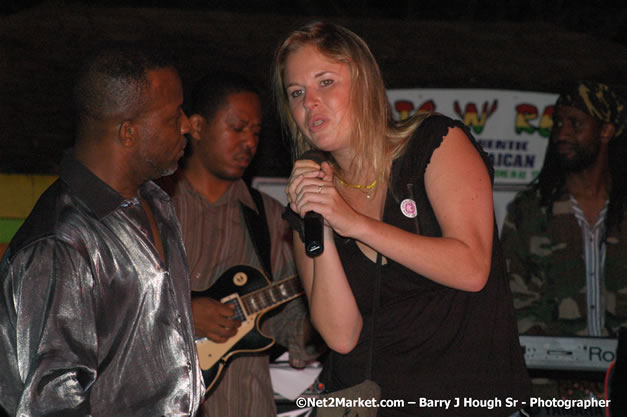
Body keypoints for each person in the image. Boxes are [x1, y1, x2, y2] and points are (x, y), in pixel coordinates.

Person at [273, 21, 531, 417]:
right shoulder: (310, 200)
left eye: (325, 82)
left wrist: (355, 223)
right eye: (296, 92)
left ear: (364, 83)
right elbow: (341, 337)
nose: (310, 102)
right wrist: (321, 221)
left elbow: (472, 267)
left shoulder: (435, 143)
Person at [0, 43, 204, 416]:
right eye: (174, 116)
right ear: (128, 133)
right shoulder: (60, 243)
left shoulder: (155, 202)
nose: (188, 124)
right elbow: (52, 402)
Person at [160, 71, 320, 417]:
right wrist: (182, 314)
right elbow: (111, 305)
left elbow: (288, 326)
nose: (249, 142)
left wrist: (327, 310)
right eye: (237, 128)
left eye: (256, 133)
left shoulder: (271, 218)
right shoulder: (154, 208)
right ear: (198, 127)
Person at [501, 81, 627, 337]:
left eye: (575, 123)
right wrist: (561, 357)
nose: (562, 134)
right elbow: (511, 297)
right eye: (558, 124)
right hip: (551, 373)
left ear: (605, 131)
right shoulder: (530, 209)